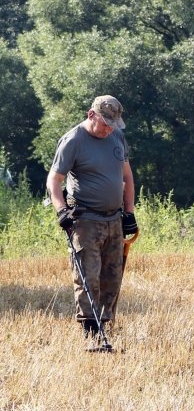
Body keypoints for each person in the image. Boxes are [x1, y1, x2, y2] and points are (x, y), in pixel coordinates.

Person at [46, 95, 137, 339]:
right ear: (91, 114)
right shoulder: (73, 140)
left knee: (112, 277)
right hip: (85, 220)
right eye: (105, 122)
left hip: (114, 219)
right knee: (88, 276)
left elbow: (127, 177)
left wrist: (129, 213)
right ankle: (90, 327)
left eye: (113, 123)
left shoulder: (116, 135)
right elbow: (54, 181)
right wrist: (61, 210)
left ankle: (105, 324)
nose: (109, 128)